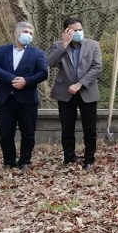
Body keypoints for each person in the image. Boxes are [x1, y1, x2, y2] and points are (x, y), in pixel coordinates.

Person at [0, 21, 49, 171]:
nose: (28, 35)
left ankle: (25, 161)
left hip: (28, 100)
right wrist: (12, 79)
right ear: (16, 33)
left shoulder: (37, 54)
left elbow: (43, 73)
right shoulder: (1, 51)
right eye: (25, 32)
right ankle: (9, 161)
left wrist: (26, 81)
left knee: (28, 133)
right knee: (6, 133)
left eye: (31, 33)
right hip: (7, 98)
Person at [47, 18, 103, 170]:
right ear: (66, 31)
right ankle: (69, 157)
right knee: (67, 127)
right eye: (74, 30)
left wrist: (80, 84)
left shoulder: (93, 45)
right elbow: (50, 63)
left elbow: (97, 67)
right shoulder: (58, 45)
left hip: (87, 91)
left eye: (80, 29)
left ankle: (89, 159)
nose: (78, 33)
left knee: (90, 128)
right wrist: (64, 44)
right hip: (65, 92)